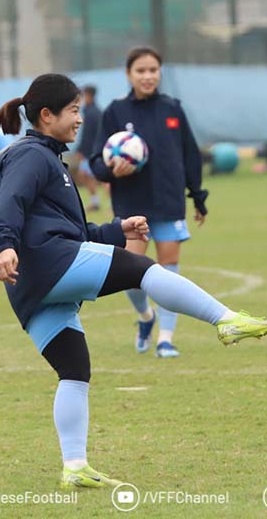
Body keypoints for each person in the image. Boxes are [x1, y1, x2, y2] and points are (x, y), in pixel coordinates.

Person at [0, 73, 267, 489]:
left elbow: (75, 230)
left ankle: (75, 465)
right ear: (47, 115)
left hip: (32, 284)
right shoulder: (32, 156)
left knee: (74, 370)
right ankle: (225, 318)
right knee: (141, 270)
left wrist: (118, 227)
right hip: (47, 262)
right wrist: (3, 245)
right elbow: (10, 203)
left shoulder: (50, 159)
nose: (79, 120)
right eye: (73, 111)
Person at [88, 47, 207, 358]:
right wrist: (113, 169)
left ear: (160, 73)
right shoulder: (114, 112)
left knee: (168, 272)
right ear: (129, 75)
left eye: (153, 70)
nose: (148, 76)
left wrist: (197, 196)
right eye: (141, 70)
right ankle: (145, 317)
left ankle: (166, 339)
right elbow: (96, 162)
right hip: (131, 207)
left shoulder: (172, 109)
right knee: (132, 275)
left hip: (168, 203)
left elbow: (190, 155)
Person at [72, 85, 106, 212]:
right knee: (86, 175)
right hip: (95, 150)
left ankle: (109, 204)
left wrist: (81, 150)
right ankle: (95, 202)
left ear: (89, 95)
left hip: (92, 151)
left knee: (102, 178)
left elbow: (88, 135)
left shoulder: (92, 113)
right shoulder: (94, 111)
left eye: (83, 96)